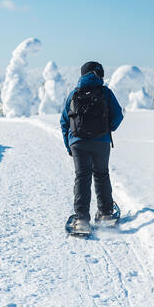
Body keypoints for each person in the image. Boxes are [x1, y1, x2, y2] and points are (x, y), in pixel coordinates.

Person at [60, 61, 124, 234]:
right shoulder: (106, 93)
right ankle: (106, 215)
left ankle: (81, 220)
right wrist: (106, 128)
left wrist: (70, 146)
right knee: (101, 174)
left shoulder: (74, 94)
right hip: (101, 142)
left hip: (78, 143)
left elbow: (64, 122)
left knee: (82, 177)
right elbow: (118, 115)